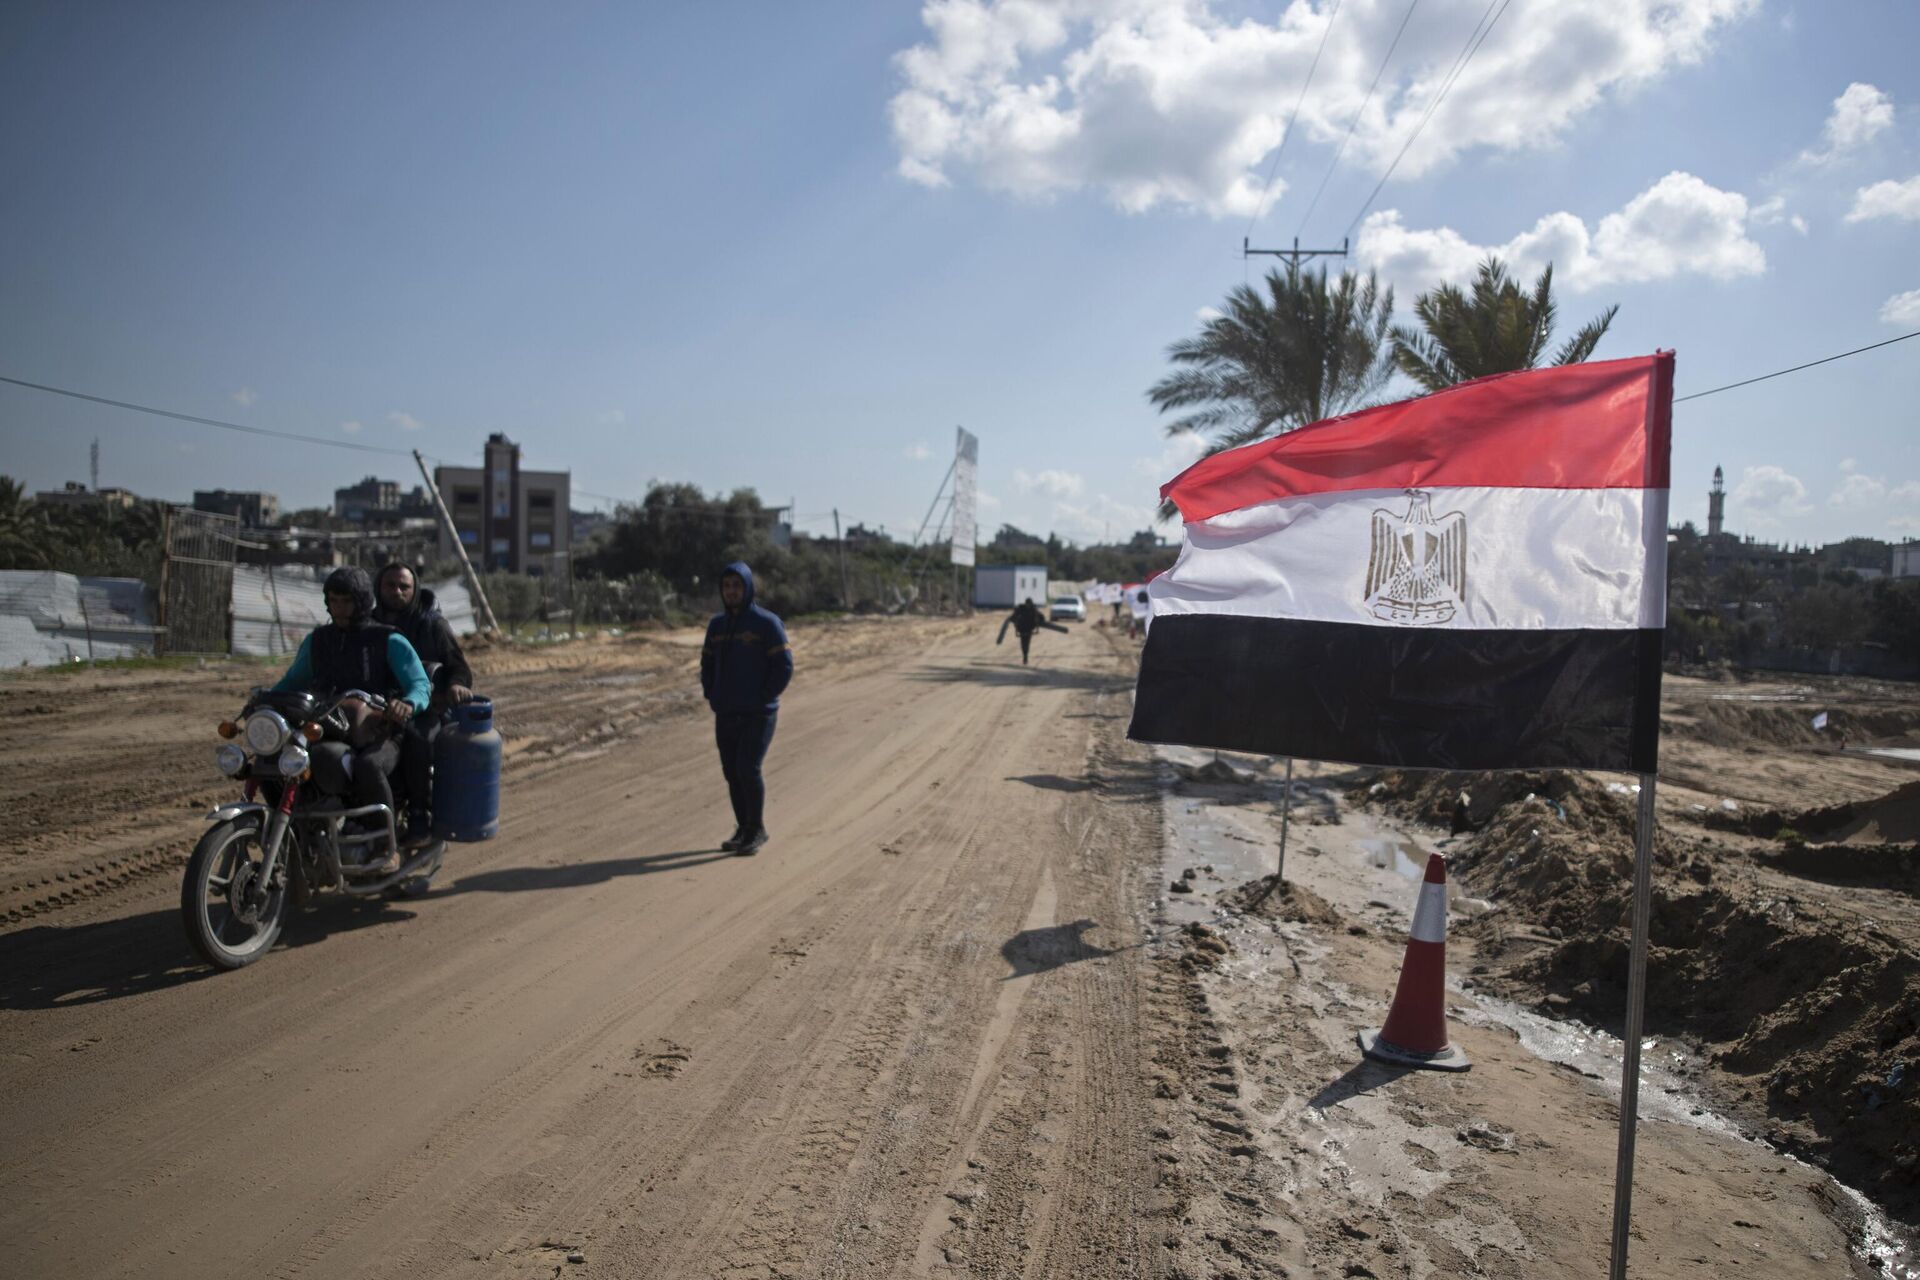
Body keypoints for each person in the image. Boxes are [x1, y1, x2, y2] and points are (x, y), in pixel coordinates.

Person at [274, 567, 431, 855]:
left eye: (346, 601)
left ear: (362, 601)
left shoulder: (388, 639)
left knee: (368, 766)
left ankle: (387, 847)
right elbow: (291, 682)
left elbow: (420, 684)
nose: (339, 608)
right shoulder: (318, 641)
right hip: (327, 728)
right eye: (334, 601)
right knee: (278, 761)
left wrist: (407, 703)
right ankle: (295, 835)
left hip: (379, 731)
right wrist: (265, 699)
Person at [373, 563, 475, 847]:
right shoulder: (370, 625)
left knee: (417, 740)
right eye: (390, 585)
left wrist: (456, 684)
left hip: (428, 708)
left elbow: (459, 667)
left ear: (414, 589)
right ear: (378, 589)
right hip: (381, 708)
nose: (397, 591)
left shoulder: (432, 624)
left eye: (403, 586)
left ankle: (419, 816)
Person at [699, 561, 792, 855]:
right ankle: (743, 829)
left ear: (748, 587)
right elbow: (707, 663)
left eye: (737, 586)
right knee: (731, 772)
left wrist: (765, 695)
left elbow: (784, 666)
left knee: (747, 768)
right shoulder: (717, 626)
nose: (731, 591)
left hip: (758, 713)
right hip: (726, 711)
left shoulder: (767, 623)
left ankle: (758, 828)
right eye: (727, 586)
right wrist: (711, 693)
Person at [1000, 596, 1045, 665]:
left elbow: (1041, 616)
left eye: (1029, 604)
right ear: (1026, 603)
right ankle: (1025, 655)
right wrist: (1012, 619)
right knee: (1023, 644)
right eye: (1027, 604)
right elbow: (1014, 616)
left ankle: (1025, 656)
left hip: (1029, 628)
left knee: (1027, 643)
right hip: (1022, 628)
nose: (1028, 605)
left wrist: (1040, 621)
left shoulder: (1033, 609)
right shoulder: (1021, 609)